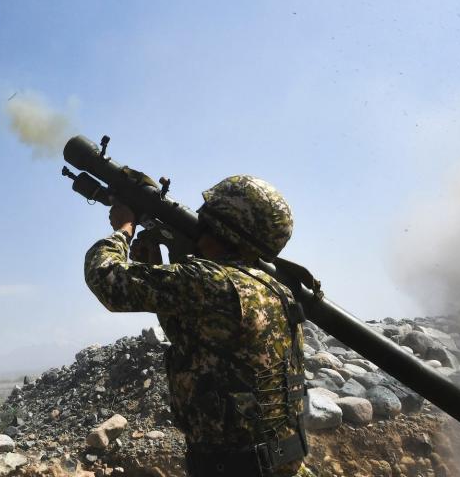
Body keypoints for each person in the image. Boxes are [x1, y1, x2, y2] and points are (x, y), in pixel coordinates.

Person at [84, 175, 314, 477]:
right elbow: (200, 342)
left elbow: (106, 279)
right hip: (283, 465)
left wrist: (123, 228)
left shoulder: (213, 280)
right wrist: (156, 268)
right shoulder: (272, 288)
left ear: (217, 222)